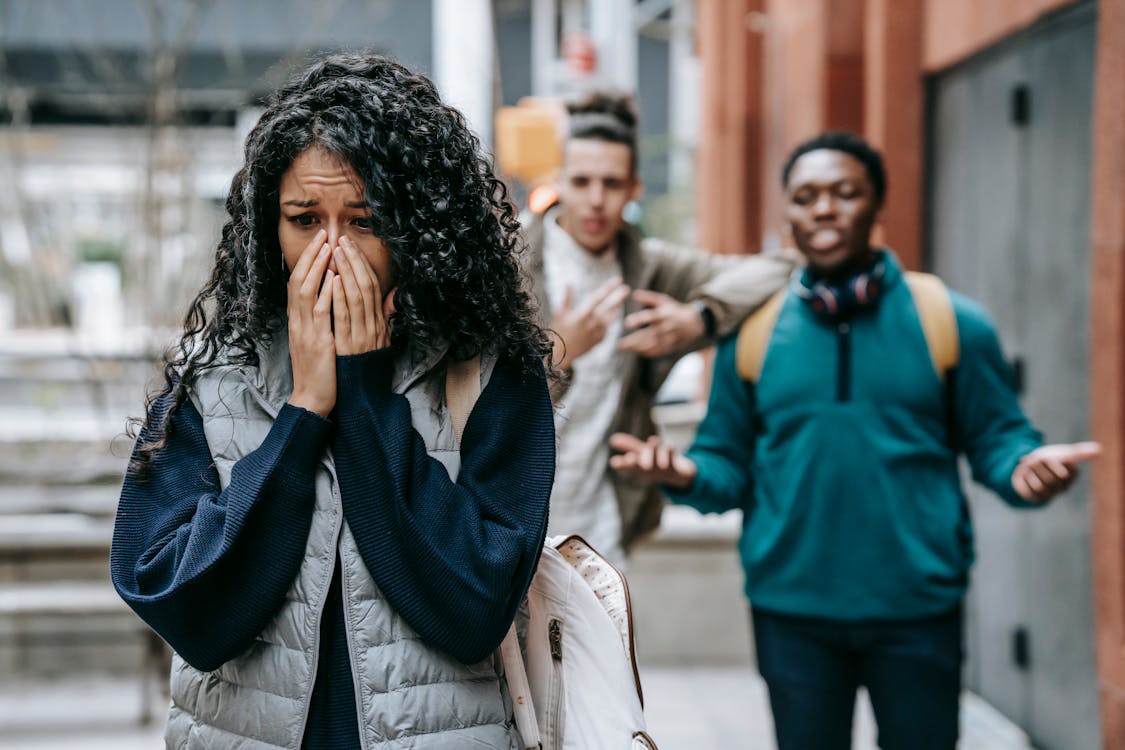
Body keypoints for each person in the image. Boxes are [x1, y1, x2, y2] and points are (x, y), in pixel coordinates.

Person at [110, 52, 556, 749]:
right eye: (303, 219)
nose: (332, 252)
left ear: (420, 227)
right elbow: (182, 606)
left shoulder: (489, 370)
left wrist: (367, 396)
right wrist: (304, 413)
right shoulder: (213, 372)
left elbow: (472, 609)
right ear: (268, 227)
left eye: (365, 221)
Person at [608, 131, 1101, 750]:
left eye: (845, 193)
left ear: (877, 206)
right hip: (793, 612)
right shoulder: (753, 335)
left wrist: (1024, 469)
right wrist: (684, 477)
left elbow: (998, 437)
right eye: (806, 196)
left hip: (917, 609)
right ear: (787, 214)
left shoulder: (950, 321)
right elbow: (726, 465)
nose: (823, 208)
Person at [523, 91, 793, 564]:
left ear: (634, 188)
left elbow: (784, 267)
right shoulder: (512, 263)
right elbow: (469, 401)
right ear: (560, 180)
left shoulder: (648, 267)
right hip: (514, 517)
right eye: (582, 181)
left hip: (603, 525)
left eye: (611, 183)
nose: (595, 200)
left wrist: (700, 318)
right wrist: (557, 351)